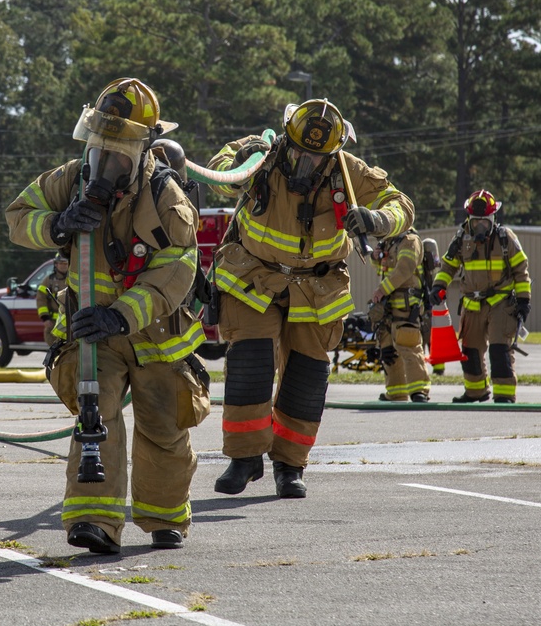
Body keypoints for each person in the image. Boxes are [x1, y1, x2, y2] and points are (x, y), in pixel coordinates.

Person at [6, 77, 211, 553]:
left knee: (164, 427)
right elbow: (19, 216)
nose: (105, 161)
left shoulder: (166, 198)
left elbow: (175, 272)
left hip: (155, 335)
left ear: (142, 150)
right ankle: (94, 522)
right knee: (95, 421)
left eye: (119, 151)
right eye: (100, 145)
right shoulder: (70, 179)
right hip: (94, 336)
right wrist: (56, 223)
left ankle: (164, 520)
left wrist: (120, 316)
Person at [203, 98, 414, 498]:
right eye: (298, 151)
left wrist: (377, 219)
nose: (304, 162)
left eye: (315, 157)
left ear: (333, 151)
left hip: (317, 287)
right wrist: (240, 156)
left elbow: (401, 204)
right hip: (254, 275)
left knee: (305, 376)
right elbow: (219, 174)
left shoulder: (348, 171)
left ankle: (288, 465)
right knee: (249, 362)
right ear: (287, 137)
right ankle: (245, 460)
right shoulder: (260, 154)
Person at [430, 190, 531, 403]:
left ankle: (504, 394)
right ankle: (476, 391)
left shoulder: (505, 238)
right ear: (469, 219)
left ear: (493, 218)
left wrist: (524, 301)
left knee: (499, 349)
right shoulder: (460, 238)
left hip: (501, 303)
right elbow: (448, 266)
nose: (481, 226)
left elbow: (521, 271)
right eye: (476, 221)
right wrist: (438, 286)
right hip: (472, 303)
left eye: (486, 221)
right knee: (470, 351)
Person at [369, 230, 431, 402]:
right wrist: (375, 257)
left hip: (406, 304)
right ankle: (396, 392)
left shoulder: (410, 241)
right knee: (388, 349)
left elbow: (404, 269)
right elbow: (382, 268)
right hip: (388, 305)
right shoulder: (389, 242)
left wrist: (382, 290)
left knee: (408, 345)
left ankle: (419, 390)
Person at [37, 251, 69, 346]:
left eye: (65, 263)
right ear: (56, 264)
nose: (63, 266)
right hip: (53, 324)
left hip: (71, 322)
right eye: (61, 263)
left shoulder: (73, 279)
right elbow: (41, 300)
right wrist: (45, 318)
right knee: (55, 350)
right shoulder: (49, 281)